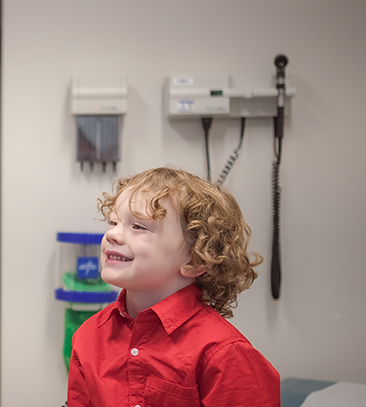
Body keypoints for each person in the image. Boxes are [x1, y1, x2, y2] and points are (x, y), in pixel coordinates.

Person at [67, 167, 280, 407]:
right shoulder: (87, 337)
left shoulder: (224, 354)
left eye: (138, 227)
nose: (113, 235)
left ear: (196, 260)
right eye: (113, 222)